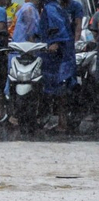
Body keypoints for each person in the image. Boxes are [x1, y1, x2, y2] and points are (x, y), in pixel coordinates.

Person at [36, 0, 76, 132]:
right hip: (62, 55)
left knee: (58, 89)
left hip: (57, 57)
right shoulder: (55, 7)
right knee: (60, 88)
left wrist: (55, 43)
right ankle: (61, 121)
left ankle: (62, 123)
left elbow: (57, 29)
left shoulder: (50, 8)